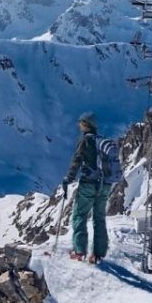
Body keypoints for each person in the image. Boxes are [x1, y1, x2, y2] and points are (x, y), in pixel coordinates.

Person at [61, 112, 109, 263]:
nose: (79, 125)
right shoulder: (102, 141)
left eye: (81, 122)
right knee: (99, 218)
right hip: (104, 185)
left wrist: (68, 179)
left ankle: (79, 251)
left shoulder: (85, 140)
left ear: (86, 124)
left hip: (88, 184)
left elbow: (76, 161)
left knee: (80, 216)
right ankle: (98, 254)